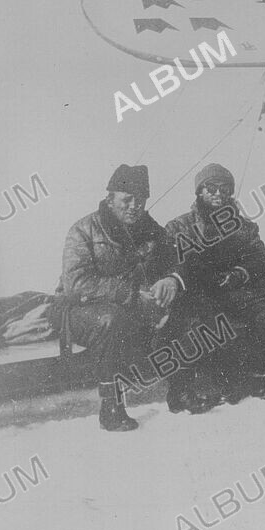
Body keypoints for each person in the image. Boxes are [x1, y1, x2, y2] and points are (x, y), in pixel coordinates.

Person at [50, 165, 181, 432]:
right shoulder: (84, 230)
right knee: (111, 319)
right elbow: (76, 284)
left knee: (182, 308)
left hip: (128, 305)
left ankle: (182, 389)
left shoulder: (150, 228)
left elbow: (176, 257)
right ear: (110, 200)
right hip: (78, 310)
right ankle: (111, 406)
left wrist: (172, 279)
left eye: (141, 201)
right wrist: (130, 294)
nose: (134, 206)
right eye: (126, 200)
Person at [164, 164, 265, 410]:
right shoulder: (179, 227)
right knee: (200, 318)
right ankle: (209, 383)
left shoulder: (244, 226)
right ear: (199, 192)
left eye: (225, 188)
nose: (218, 193)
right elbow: (172, 263)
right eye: (211, 188)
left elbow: (257, 257)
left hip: (235, 290)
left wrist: (238, 274)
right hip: (198, 294)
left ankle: (257, 375)